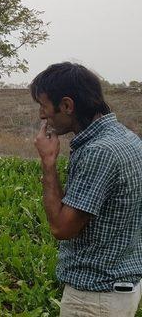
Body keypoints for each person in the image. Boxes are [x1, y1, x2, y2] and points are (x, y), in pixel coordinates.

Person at [31, 62, 142, 316]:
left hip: (95, 298)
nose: (41, 116)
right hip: (121, 286)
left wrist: (48, 164)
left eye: (44, 106)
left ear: (67, 105)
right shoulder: (126, 137)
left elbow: (62, 228)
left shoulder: (98, 152)